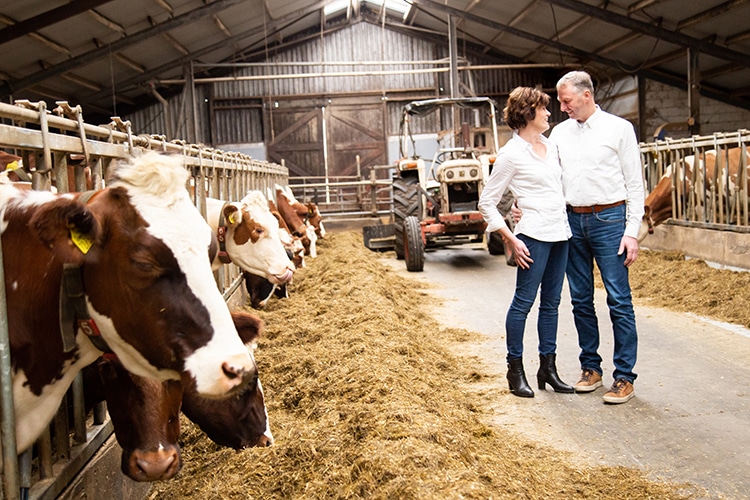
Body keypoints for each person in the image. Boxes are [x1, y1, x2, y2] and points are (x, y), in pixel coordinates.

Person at [550, 70, 645, 404]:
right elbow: (549, 178)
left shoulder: (619, 129)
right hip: (571, 220)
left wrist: (632, 232)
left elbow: (635, 183)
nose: (562, 107)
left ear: (586, 95)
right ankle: (591, 367)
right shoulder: (559, 134)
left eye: (567, 100)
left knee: (618, 298)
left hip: (610, 219)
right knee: (579, 299)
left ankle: (624, 376)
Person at [478, 87, 573, 398]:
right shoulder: (510, 155)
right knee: (523, 303)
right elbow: (487, 202)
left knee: (552, 304)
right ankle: (514, 369)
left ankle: (548, 368)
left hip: (560, 234)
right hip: (532, 237)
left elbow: (556, 190)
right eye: (543, 109)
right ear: (528, 114)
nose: (548, 113)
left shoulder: (550, 146)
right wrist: (510, 237)